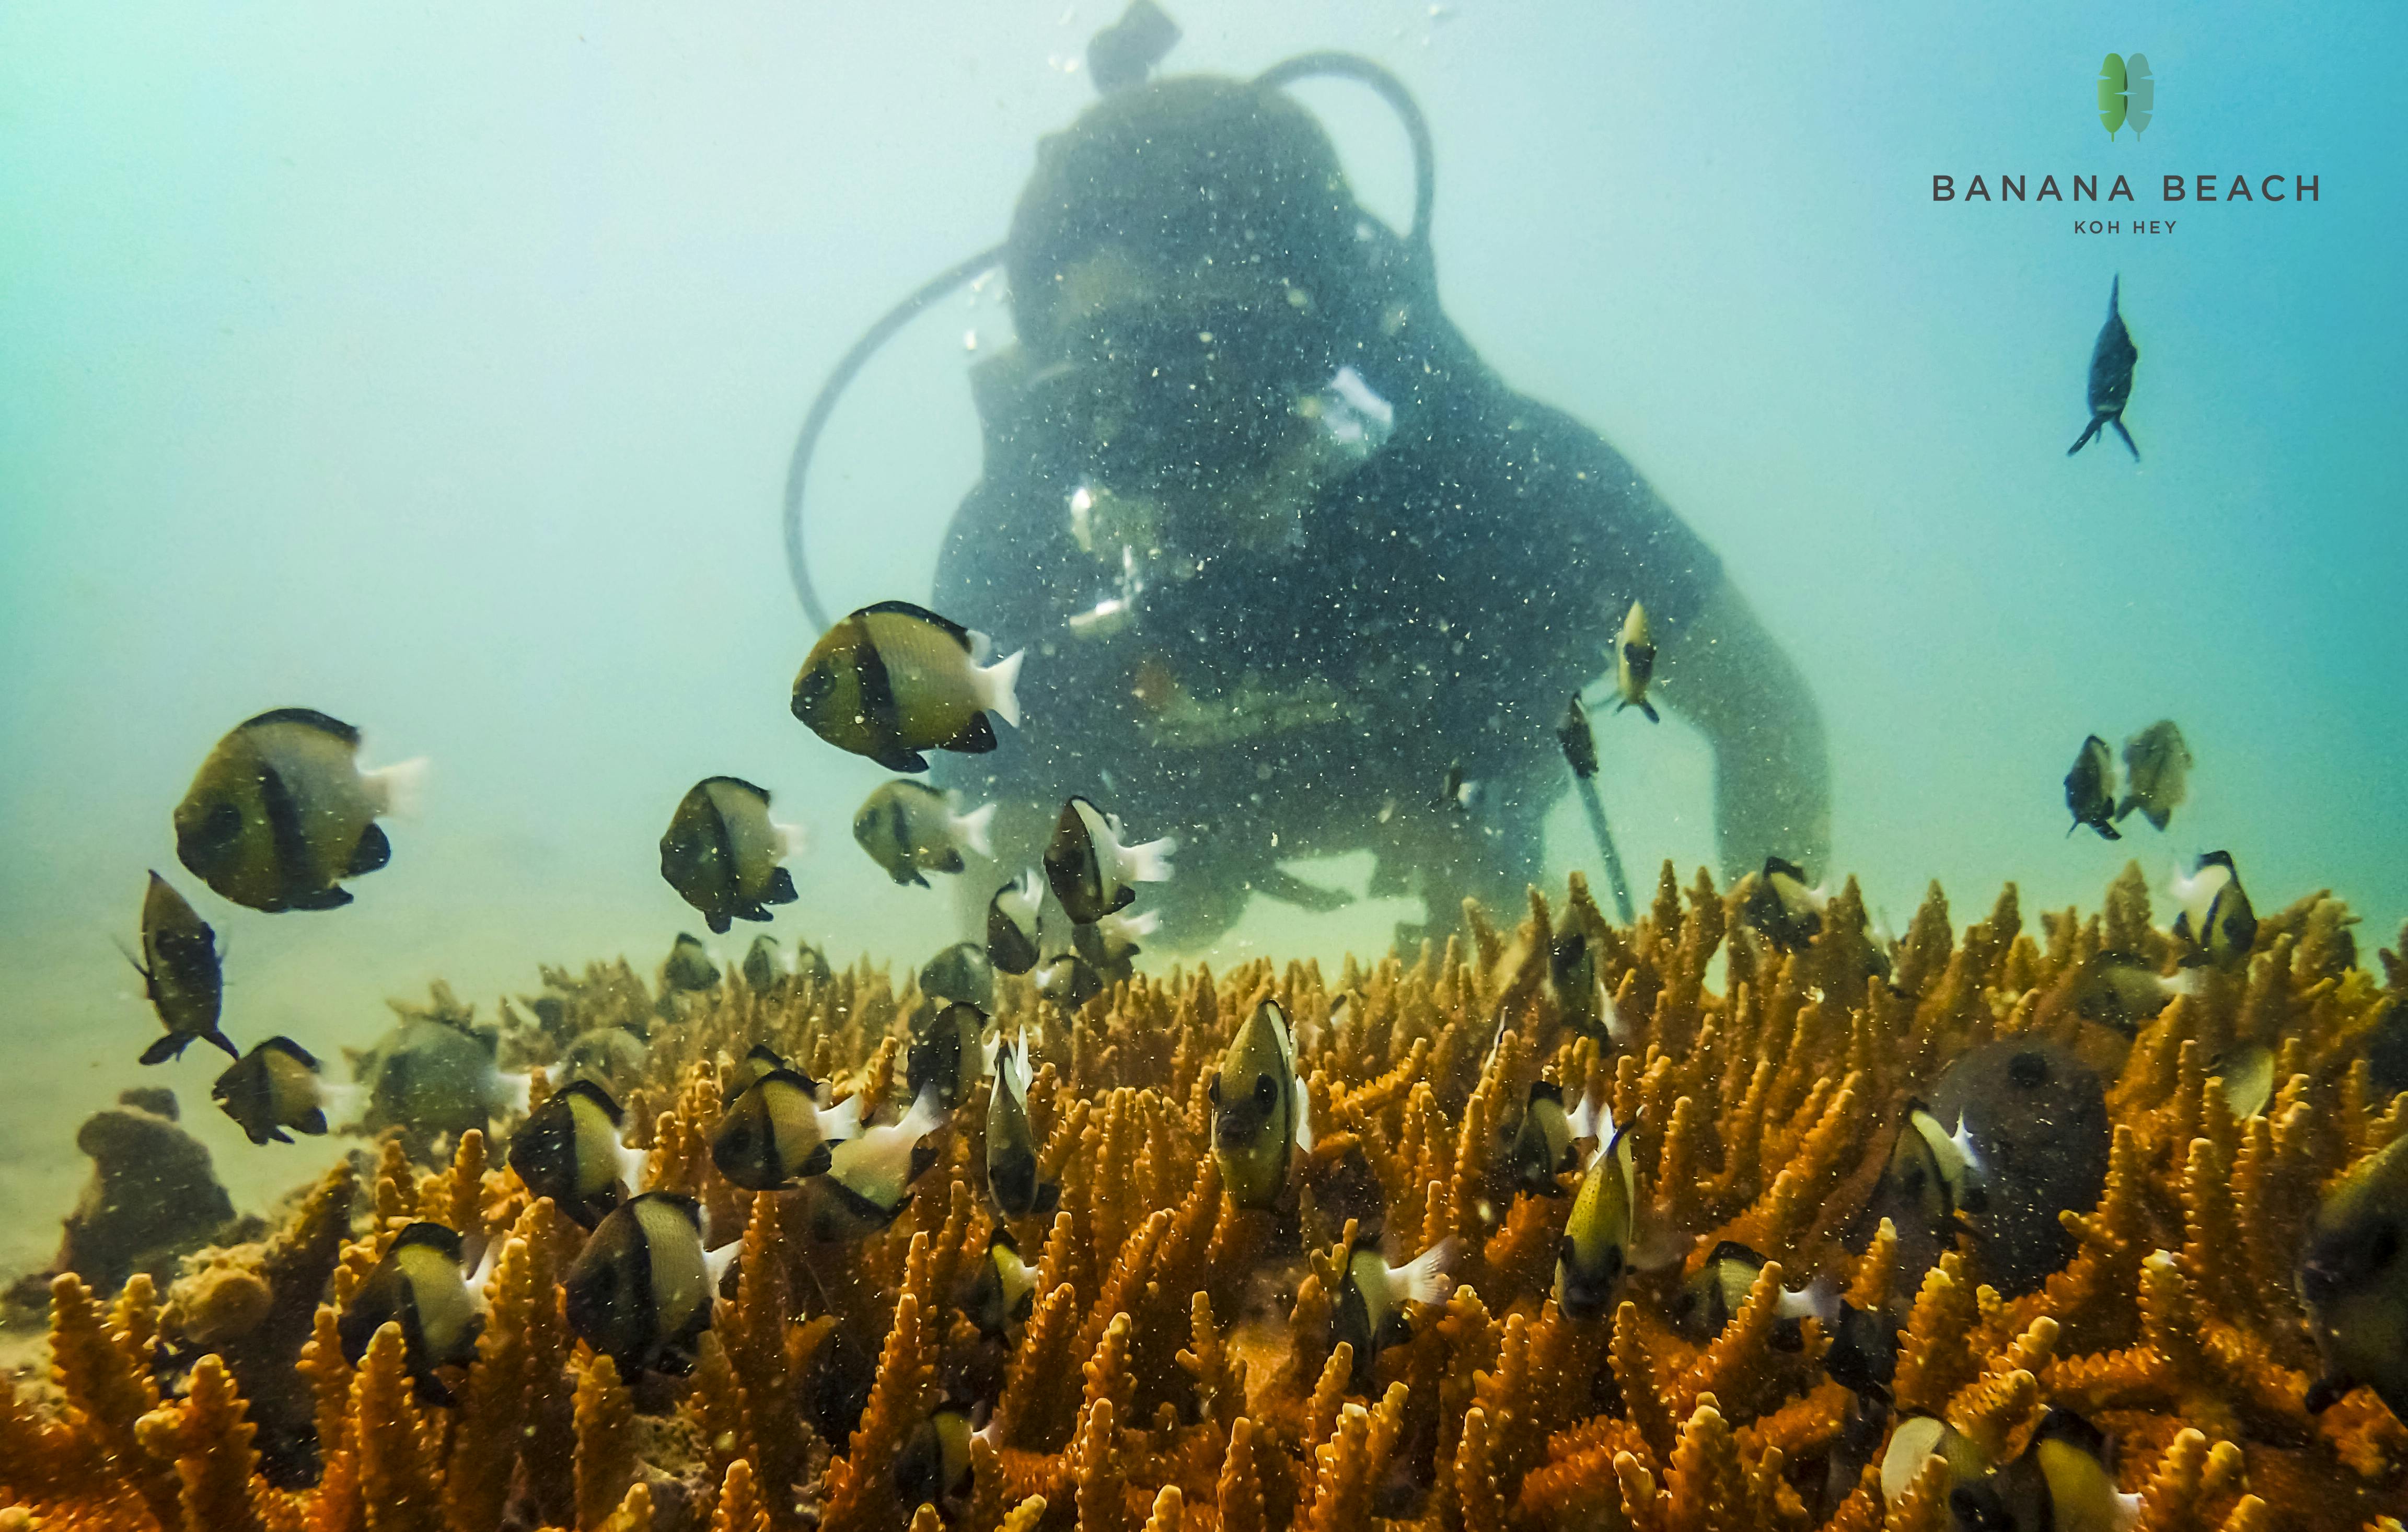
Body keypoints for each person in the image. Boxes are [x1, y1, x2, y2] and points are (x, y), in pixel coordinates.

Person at [927, 69, 1828, 949]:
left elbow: (1761, 712)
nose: (1193, 430)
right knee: (1163, 915)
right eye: (1131, 375)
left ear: (1341, 330)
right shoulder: (1016, 549)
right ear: (1051, 377)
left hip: (1465, 809)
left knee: (1495, 909)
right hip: (1149, 846)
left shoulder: (1493, 480)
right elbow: (989, 873)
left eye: (1240, 357)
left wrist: (1790, 997)